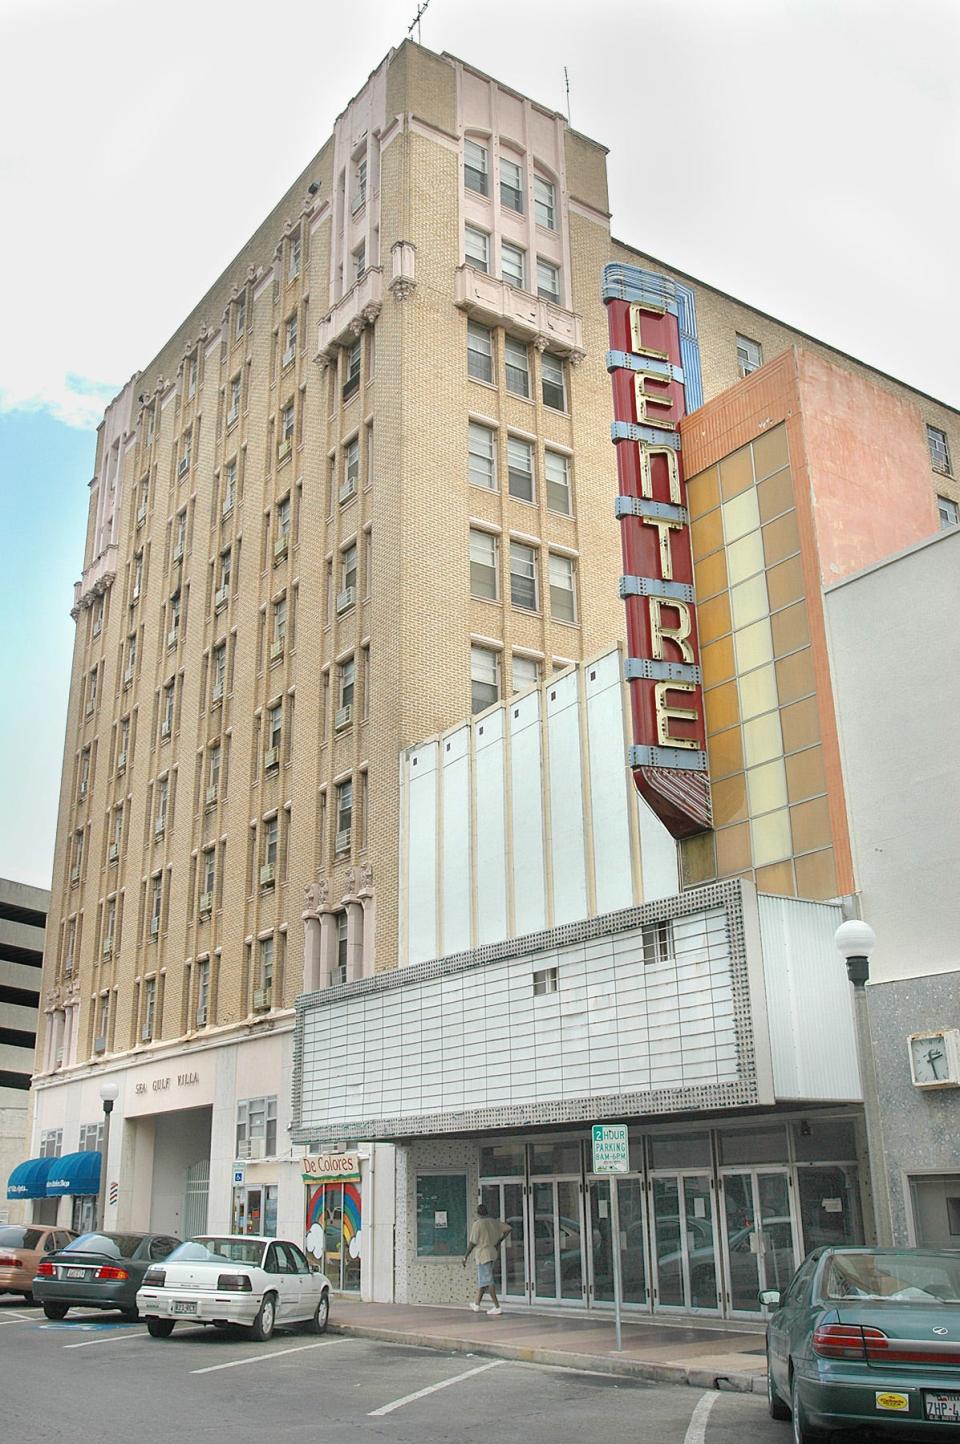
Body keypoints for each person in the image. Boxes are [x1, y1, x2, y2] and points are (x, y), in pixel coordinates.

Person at [463, 1203, 511, 1315]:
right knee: (484, 1279)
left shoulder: (478, 1224)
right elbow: (508, 1228)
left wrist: (465, 1256)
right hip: (492, 1252)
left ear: (478, 1213)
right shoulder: (493, 1222)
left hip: (482, 1254)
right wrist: (499, 1241)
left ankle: (497, 1306)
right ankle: (477, 1304)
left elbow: (472, 1243)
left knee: (488, 1280)